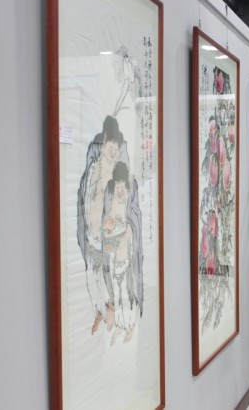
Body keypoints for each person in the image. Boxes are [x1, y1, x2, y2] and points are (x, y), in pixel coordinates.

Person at [77, 116, 129, 334]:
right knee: (93, 275)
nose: (113, 150)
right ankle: (98, 311)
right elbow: (86, 200)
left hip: (111, 235)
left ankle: (112, 312)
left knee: (111, 276)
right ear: (104, 141)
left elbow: (121, 205)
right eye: (111, 144)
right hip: (93, 233)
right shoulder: (94, 169)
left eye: (117, 146)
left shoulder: (118, 174)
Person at [102, 161, 144, 345]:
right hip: (114, 253)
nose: (119, 190)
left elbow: (133, 222)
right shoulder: (111, 199)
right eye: (117, 186)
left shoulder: (128, 202)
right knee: (117, 292)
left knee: (127, 292)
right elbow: (107, 221)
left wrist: (126, 234)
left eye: (122, 186)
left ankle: (131, 325)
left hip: (125, 254)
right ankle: (120, 323)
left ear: (127, 188)